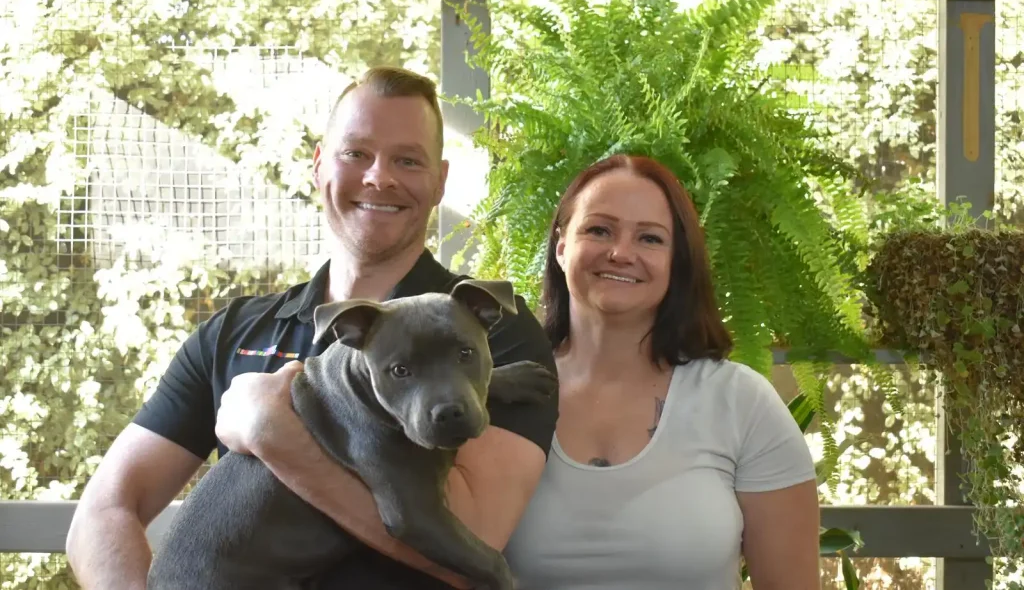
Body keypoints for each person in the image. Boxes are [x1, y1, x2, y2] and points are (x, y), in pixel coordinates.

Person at [65, 66, 559, 590]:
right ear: (319, 165)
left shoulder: (490, 328)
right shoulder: (233, 333)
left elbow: (470, 535)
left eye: (407, 160)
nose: (379, 177)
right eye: (356, 154)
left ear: (439, 181)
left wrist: (273, 434)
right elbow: (105, 510)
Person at [501, 154, 822, 590]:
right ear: (561, 246)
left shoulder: (743, 404)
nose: (621, 253)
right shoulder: (498, 395)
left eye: (650, 239)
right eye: (599, 229)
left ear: (678, 263)